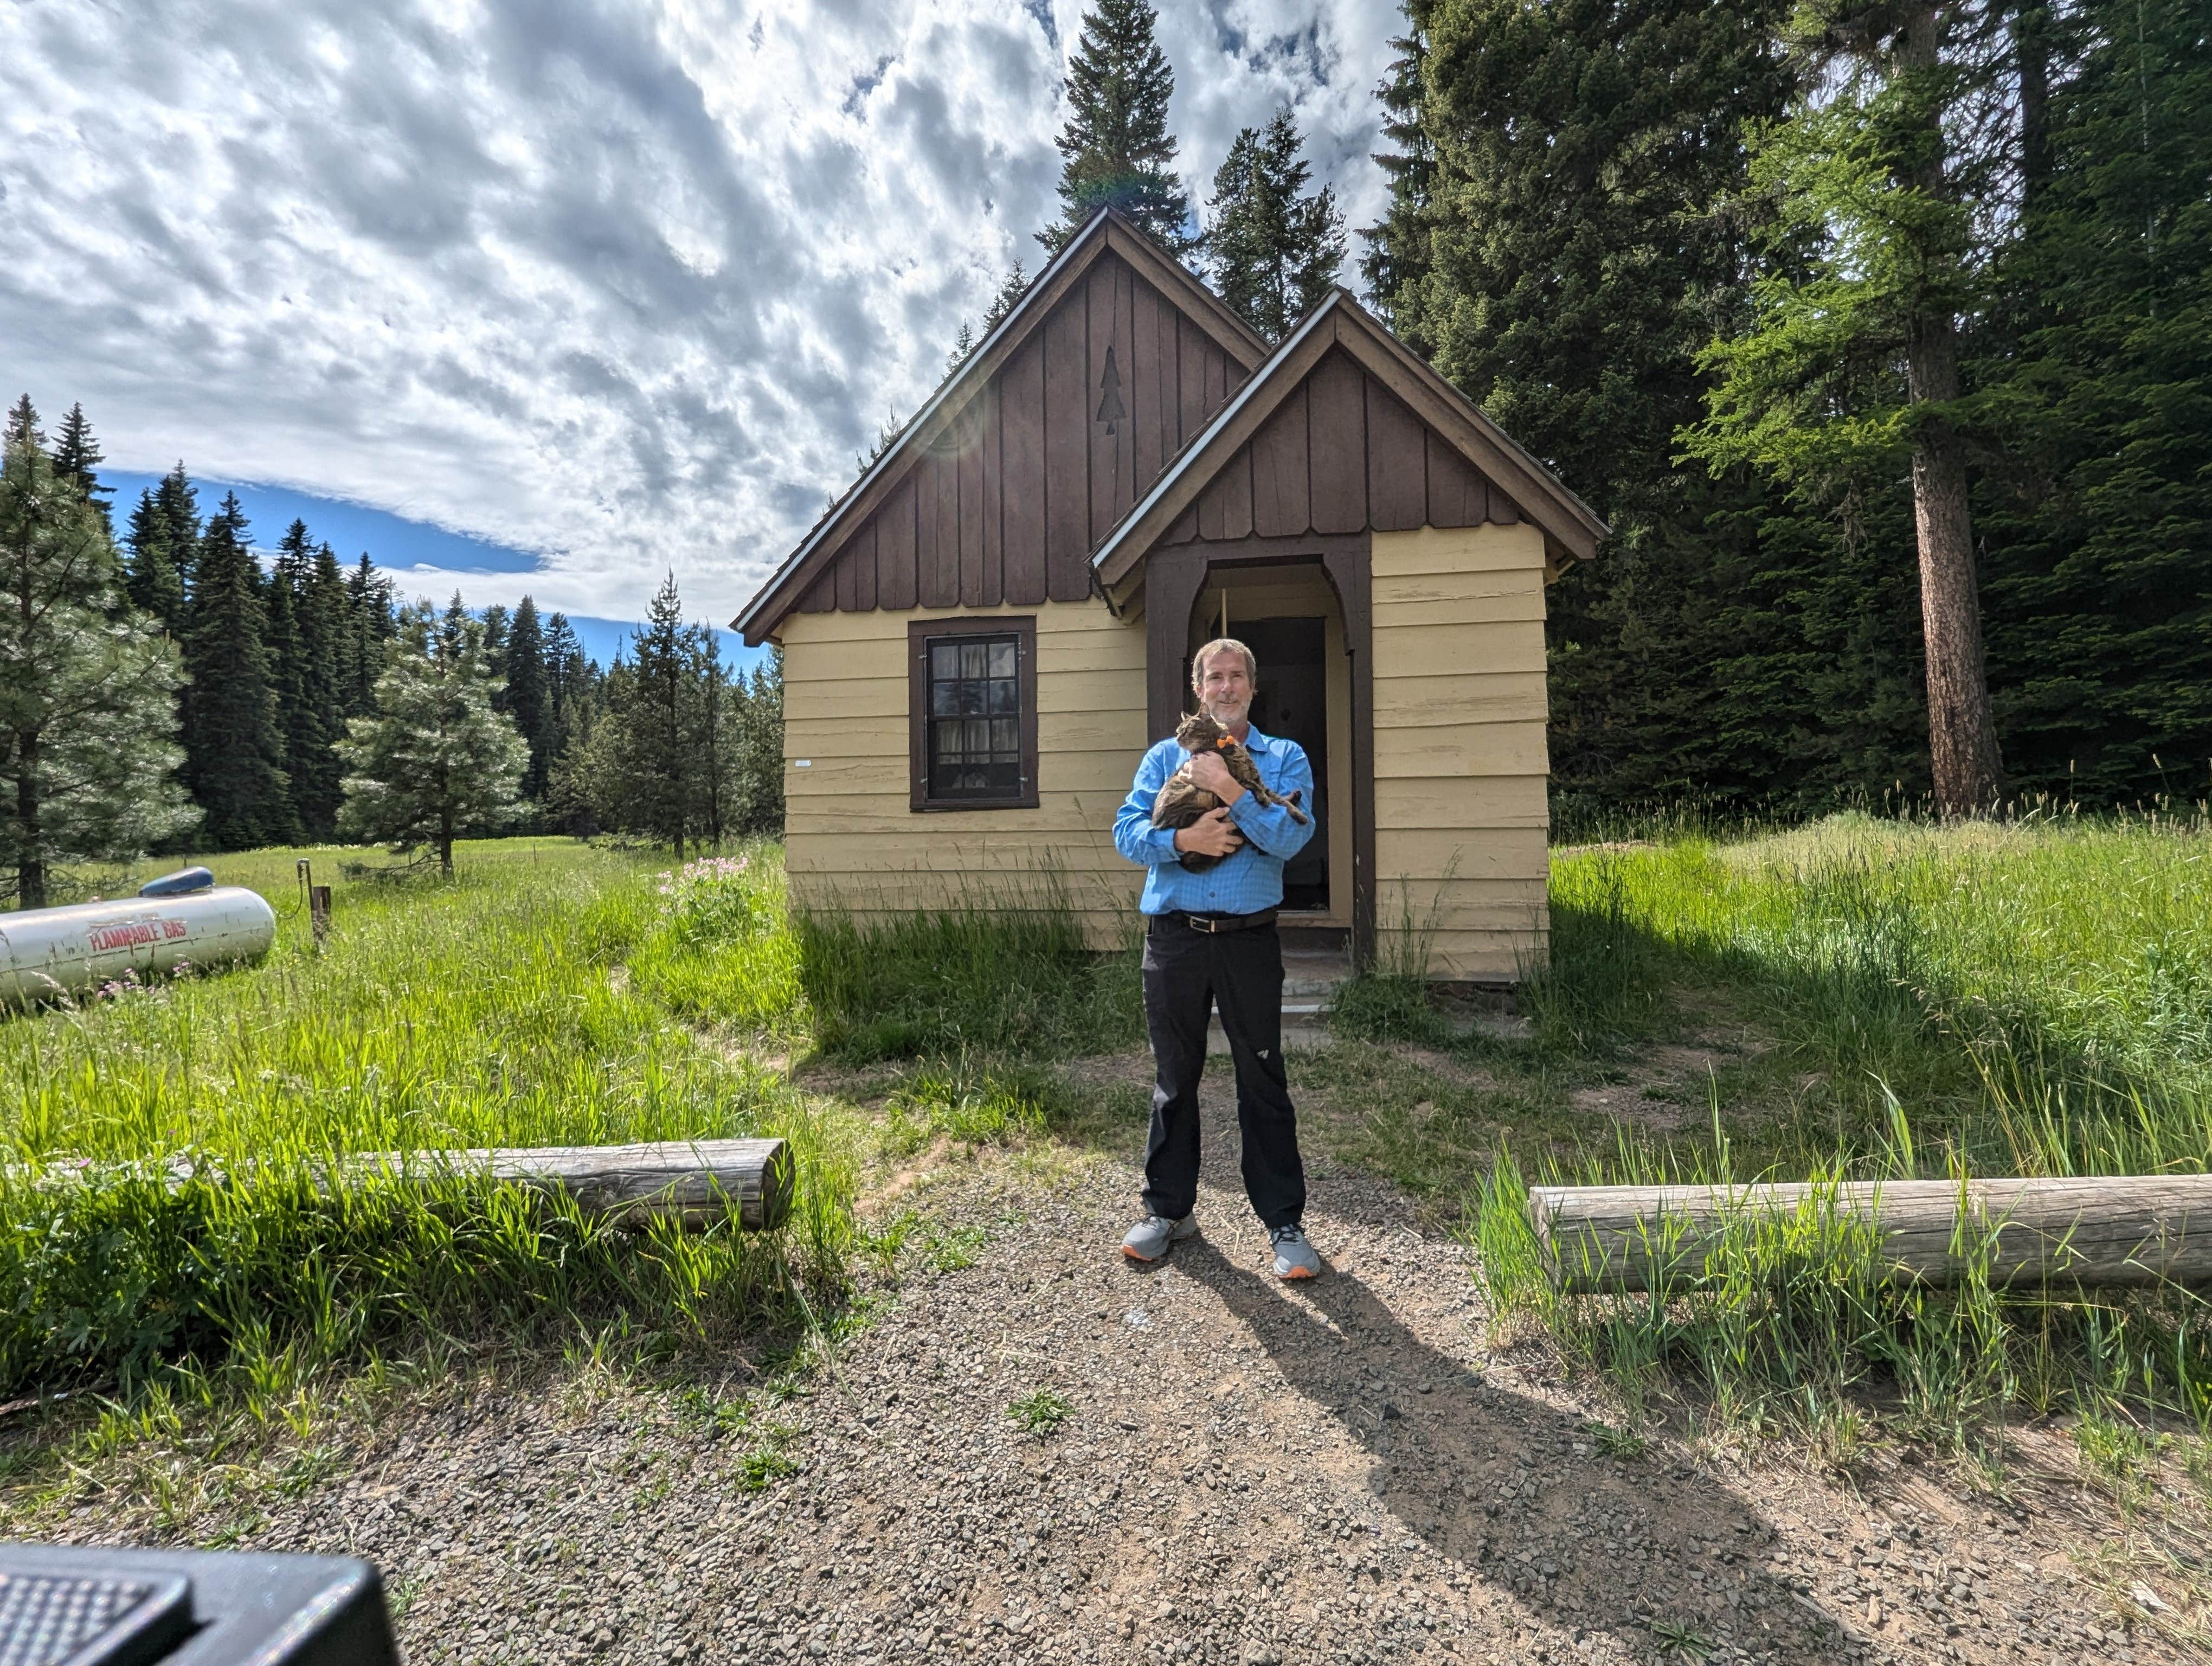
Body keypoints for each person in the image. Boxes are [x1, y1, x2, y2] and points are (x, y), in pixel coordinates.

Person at [1110, 637, 1321, 1279]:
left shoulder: (1284, 759)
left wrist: (1227, 786)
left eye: (1236, 677)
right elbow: (1126, 832)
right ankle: (1169, 1211)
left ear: (1252, 688)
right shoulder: (1162, 758)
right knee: (1175, 1077)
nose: (1225, 688)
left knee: (1262, 1079)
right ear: (1198, 690)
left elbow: (1290, 838)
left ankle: (1284, 1222)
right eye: (1214, 678)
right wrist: (1184, 838)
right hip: (1174, 937)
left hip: (1247, 940)